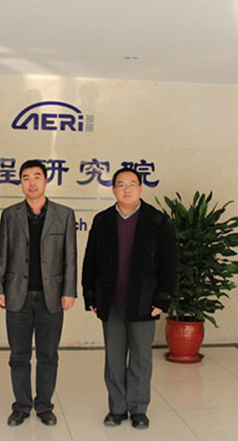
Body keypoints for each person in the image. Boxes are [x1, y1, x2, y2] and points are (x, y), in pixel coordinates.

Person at [82, 167, 176, 429]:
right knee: (114, 358)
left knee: (141, 357)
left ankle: (138, 409)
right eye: (121, 185)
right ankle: (117, 408)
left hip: (144, 301)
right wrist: (90, 294)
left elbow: (169, 262)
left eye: (132, 184)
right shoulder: (102, 220)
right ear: (113, 189)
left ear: (141, 188)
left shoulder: (157, 220)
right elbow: (90, 260)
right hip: (110, 300)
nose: (126, 189)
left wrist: (162, 299)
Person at [0, 159, 77, 427]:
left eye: (37, 177)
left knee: (48, 355)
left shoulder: (64, 214)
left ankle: (44, 406)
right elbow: (1, 255)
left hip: (52, 296)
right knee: (18, 355)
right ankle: (21, 406)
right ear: (20, 182)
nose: (31, 182)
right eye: (26, 177)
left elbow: (70, 257)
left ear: (46, 180)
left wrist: (69, 291)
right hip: (17, 294)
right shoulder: (10, 214)